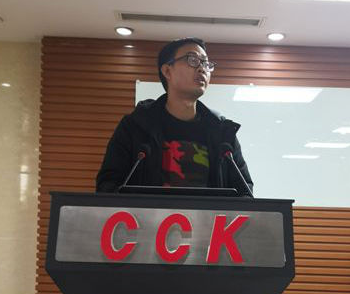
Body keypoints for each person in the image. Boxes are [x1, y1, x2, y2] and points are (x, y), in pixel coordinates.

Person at [96, 37, 253, 195]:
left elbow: (245, 192)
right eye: (192, 60)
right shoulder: (135, 126)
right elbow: (108, 186)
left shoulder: (222, 132)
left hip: (208, 213)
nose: (202, 68)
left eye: (206, 63)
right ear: (167, 71)